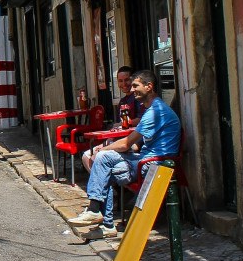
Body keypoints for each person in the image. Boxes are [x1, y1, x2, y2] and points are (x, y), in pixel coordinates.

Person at [67, 69, 181, 238]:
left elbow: (128, 143)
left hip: (154, 165)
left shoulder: (156, 112)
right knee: (102, 165)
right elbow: (136, 145)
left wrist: (102, 148)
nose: (132, 89)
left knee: (103, 159)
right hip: (145, 159)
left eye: (136, 85)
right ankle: (99, 216)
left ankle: (100, 216)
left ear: (149, 87)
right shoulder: (152, 110)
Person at [82, 66, 144, 172]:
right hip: (121, 138)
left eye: (127, 80)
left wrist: (125, 123)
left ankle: (103, 185)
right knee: (86, 157)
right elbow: (121, 124)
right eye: (120, 81)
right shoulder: (123, 101)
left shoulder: (139, 99)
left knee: (96, 157)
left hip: (134, 140)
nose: (124, 84)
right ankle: (105, 186)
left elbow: (141, 119)